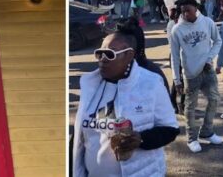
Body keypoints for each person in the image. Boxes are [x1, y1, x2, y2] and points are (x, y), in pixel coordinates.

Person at [73, 32, 179, 177]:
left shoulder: (151, 83)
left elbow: (170, 129)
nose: (103, 60)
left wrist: (141, 139)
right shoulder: (89, 85)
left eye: (109, 54)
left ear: (129, 55)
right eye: (100, 54)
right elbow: (79, 136)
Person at [170, 0, 223, 153]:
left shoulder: (207, 22)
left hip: (207, 70)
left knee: (214, 99)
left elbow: (218, 41)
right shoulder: (177, 29)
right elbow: (174, 56)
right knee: (190, 106)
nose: (186, 14)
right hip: (190, 73)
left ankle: (207, 131)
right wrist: (176, 79)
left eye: (188, 10)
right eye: (183, 11)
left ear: (196, 9)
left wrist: (209, 59)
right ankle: (192, 138)